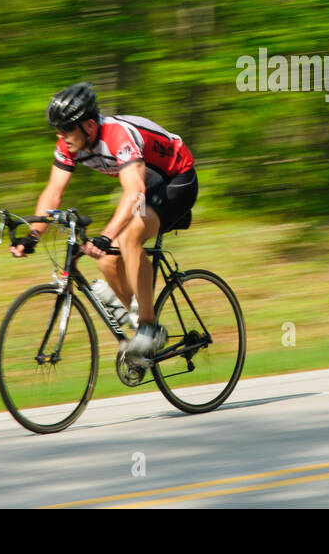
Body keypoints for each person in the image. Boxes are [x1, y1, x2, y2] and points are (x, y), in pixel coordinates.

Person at [11, 82, 198, 365]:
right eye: (57, 130)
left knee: (127, 238)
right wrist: (33, 236)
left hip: (176, 181)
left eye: (66, 128)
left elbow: (135, 192)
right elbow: (54, 192)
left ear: (89, 126)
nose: (61, 135)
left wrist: (107, 235)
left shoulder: (118, 136)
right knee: (107, 260)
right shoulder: (69, 142)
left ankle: (150, 329)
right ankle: (136, 321)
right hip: (146, 187)